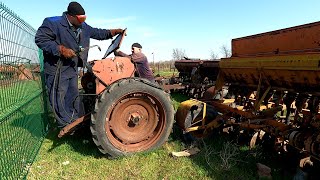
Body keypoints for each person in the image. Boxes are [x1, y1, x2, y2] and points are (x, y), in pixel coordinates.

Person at [35, 1, 123, 128]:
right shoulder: (52, 23)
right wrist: (60, 49)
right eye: (81, 18)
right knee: (60, 98)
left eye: (84, 18)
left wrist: (113, 32)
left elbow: (97, 33)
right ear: (71, 16)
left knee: (73, 96)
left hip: (71, 67)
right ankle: (65, 125)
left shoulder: (83, 26)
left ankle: (75, 121)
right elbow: (40, 39)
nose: (83, 21)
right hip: (57, 69)